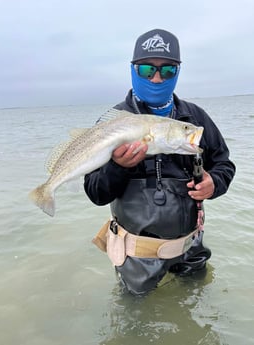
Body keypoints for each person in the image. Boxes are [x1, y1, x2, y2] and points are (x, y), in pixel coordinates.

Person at [84, 29, 236, 296]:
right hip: (136, 259)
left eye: (167, 71)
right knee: (137, 325)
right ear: (133, 69)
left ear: (177, 72)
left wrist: (215, 183)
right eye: (146, 70)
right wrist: (119, 167)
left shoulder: (195, 119)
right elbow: (96, 193)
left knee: (198, 317)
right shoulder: (112, 124)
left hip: (192, 249)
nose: (156, 78)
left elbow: (224, 164)